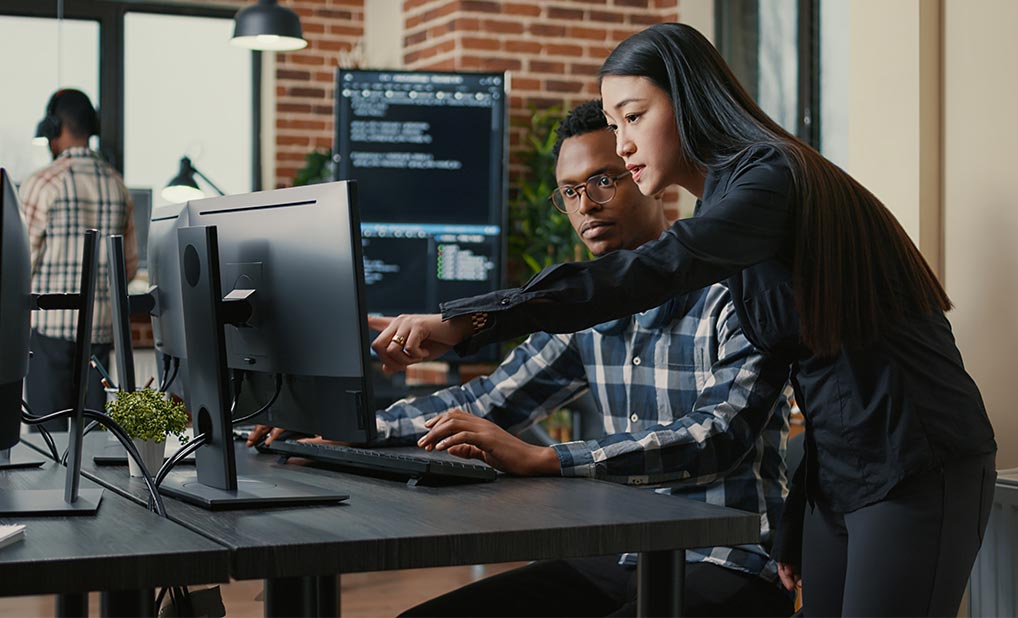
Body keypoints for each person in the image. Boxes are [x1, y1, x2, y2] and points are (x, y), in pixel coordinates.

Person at [369, 24, 997, 616]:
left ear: (691, 101)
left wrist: (468, 319)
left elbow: (655, 270)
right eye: (615, 125)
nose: (623, 144)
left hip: (916, 458)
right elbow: (824, 374)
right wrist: (803, 508)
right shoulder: (735, 201)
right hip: (838, 472)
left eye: (634, 117)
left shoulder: (769, 180)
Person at [253, 100, 794, 616]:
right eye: (570, 191)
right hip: (623, 552)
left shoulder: (734, 289)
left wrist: (548, 458)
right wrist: (343, 429)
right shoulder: (582, 309)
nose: (586, 205)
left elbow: (717, 435)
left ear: (645, 174)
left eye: (604, 180)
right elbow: (486, 401)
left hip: (731, 558)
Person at [20, 89, 137, 425]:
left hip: (48, 336)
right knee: (97, 445)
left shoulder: (42, 183)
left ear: (55, 129)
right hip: (98, 336)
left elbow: (19, 266)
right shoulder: (118, 186)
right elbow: (127, 269)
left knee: (51, 445)